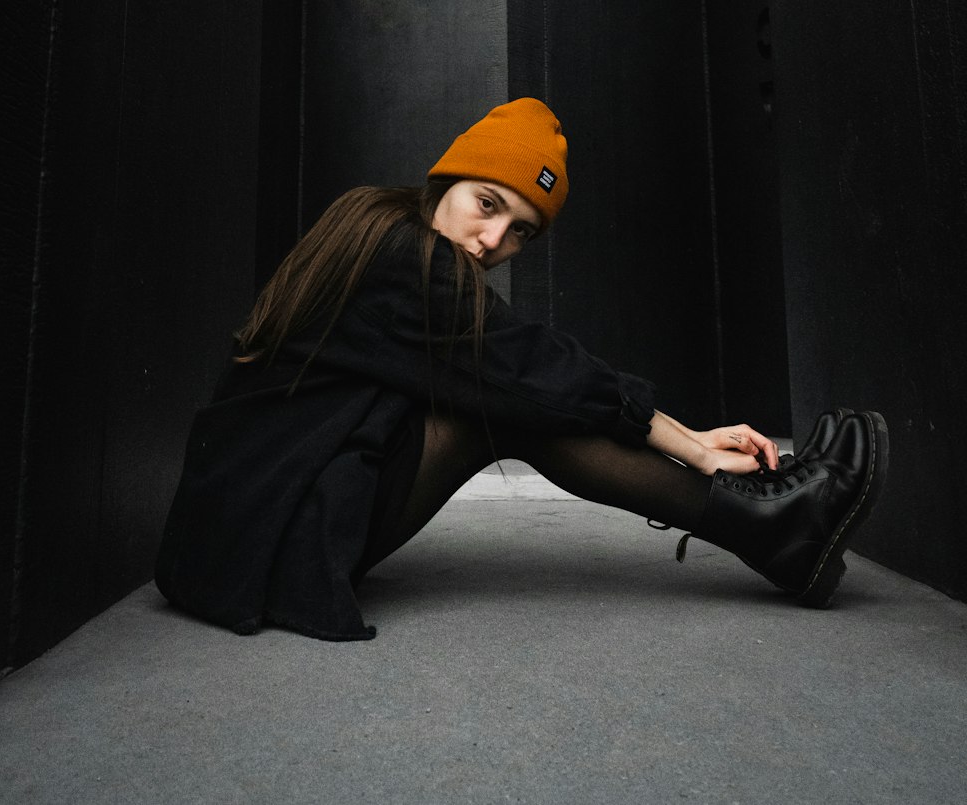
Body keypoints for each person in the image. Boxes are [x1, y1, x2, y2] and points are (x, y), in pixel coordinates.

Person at [155, 98, 888, 641]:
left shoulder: (376, 222)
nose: (491, 241)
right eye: (487, 204)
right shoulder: (399, 251)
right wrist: (692, 443)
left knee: (517, 392)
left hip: (242, 519)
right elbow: (533, 367)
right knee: (515, 399)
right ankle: (773, 522)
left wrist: (687, 435)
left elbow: (524, 365)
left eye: (518, 234)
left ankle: (773, 520)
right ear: (449, 177)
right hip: (264, 538)